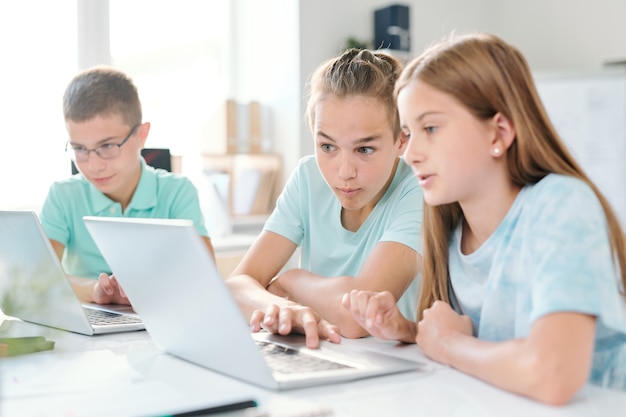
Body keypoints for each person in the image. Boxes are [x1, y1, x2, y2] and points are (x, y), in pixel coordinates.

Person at [342, 32, 626, 405]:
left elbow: (553, 373)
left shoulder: (562, 204)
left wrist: (449, 344)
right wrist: (412, 331)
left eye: (430, 128)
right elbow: (493, 348)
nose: (410, 154)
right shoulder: (451, 228)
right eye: (408, 134)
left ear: (499, 132)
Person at [226, 48, 424, 348]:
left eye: (365, 150)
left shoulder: (418, 188)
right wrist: (281, 308)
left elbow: (359, 318)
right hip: (321, 356)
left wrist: (291, 281)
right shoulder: (308, 177)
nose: (344, 172)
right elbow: (238, 285)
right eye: (328, 146)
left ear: (401, 140)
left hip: (395, 371)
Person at [40, 66, 214, 305]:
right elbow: (38, 279)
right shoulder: (63, 196)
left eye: (108, 146)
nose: (93, 165)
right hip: (89, 317)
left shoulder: (177, 192)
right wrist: (96, 291)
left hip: (161, 319)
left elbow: (205, 279)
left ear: (142, 135)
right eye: (80, 149)